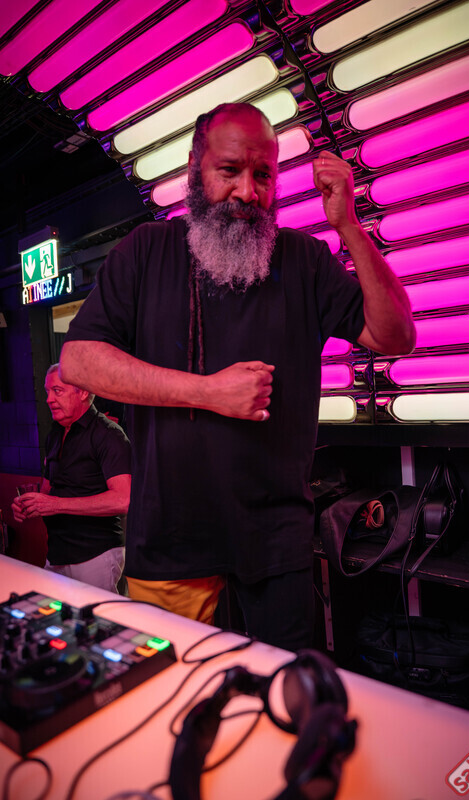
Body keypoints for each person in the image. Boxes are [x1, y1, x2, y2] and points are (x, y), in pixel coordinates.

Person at [59, 102, 416, 648]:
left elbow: (395, 336)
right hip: (169, 538)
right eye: (229, 171)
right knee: (165, 690)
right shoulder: (147, 250)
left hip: (276, 540)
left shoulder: (303, 259)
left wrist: (348, 225)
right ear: (195, 170)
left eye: (263, 175)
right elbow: (79, 360)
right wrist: (208, 392)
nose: (248, 192)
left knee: (286, 687)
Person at [12, 364, 131, 593]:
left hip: (94, 552)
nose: (49, 399)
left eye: (57, 391)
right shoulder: (55, 434)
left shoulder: (108, 435)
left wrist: (55, 505)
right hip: (57, 551)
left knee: (94, 616)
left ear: (83, 392)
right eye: (47, 391)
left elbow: (123, 500)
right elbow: (47, 491)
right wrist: (30, 505)